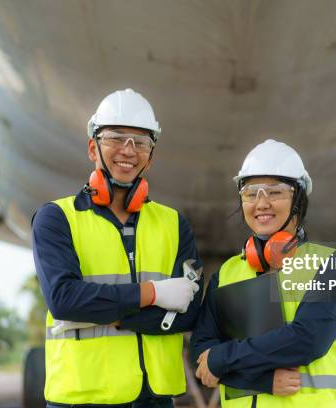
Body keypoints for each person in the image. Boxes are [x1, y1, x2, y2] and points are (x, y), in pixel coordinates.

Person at [32, 88, 203, 408]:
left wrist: (113, 317)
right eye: (115, 137)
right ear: (92, 148)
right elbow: (64, 300)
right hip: (83, 399)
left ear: (150, 157)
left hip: (155, 398)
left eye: (140, 142)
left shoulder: (174, 224)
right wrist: (153, 294)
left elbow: (190, 311)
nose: (128, 149)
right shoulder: (56, 218)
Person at [190, 139, 336, 407]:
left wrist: (223, 359)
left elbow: (306, 341)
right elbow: (201, 354)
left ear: (299, 199)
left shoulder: (329, 266)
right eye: (250, 193)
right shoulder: (228, 273)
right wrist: (262, 382)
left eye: (275, 192)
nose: (261, 203)